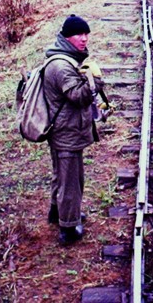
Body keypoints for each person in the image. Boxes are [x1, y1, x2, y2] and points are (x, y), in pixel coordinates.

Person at [43, 14, 103, 245]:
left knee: (62, 174)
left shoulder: (64, 59)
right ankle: (68, 228)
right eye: (79, 34)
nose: (84, 39)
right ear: (67, 37)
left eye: (86, 34)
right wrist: (95, 80)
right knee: (70, 181)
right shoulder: (61, 66)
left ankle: (57, 213)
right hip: (66, 132)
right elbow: (79, 96)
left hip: (63, 129)